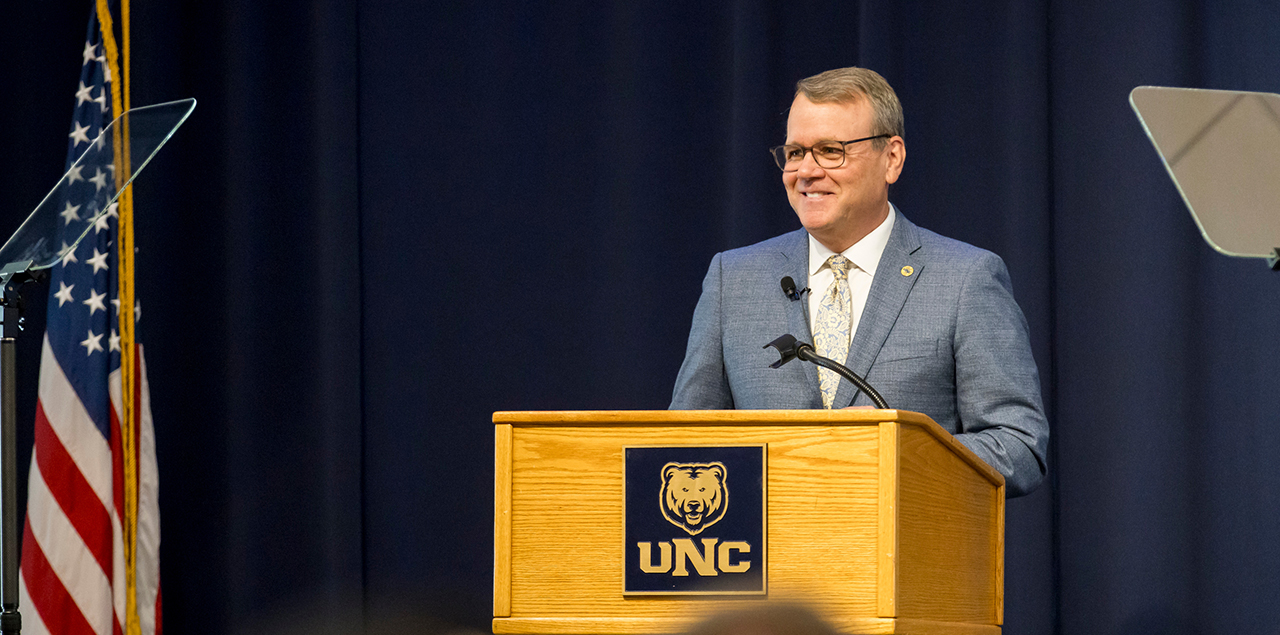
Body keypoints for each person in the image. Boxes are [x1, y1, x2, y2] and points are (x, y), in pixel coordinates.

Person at [670, 67, 1048, 497]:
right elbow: (685, 440)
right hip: (765, 560)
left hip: (903, 553)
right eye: (795, 153)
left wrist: (887, 469)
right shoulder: (732, 280)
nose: (806, 171)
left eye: (830, 151)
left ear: (892, 159)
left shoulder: (964, 278)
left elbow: (1018, 443)